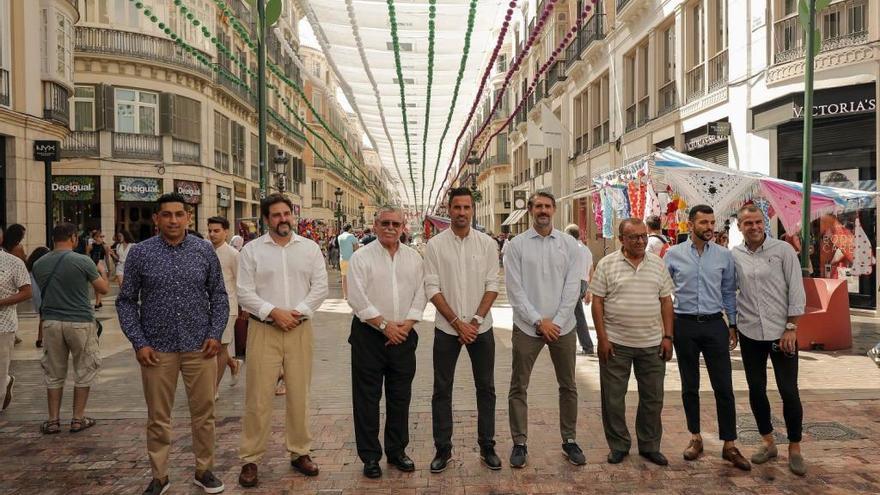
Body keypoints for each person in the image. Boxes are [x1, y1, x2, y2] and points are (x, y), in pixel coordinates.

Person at [116, 192, 229, 495]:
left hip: (200, 347)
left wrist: (215, 334)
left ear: (188, 217)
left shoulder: (204, 251)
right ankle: (160, 475)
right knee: (158, 417)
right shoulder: (141, 253)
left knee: (204, 414)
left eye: (179, 214)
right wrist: (139, 342)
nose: (174, 220)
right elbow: (126, 301)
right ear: (157, 219)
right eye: (167, 214)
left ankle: (204, 470)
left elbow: (218, 296)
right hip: (156, 349)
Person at [236, 194, 328, 487]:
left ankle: (300, 452)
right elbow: (243, 292)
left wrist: (297, 313)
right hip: (263, 330)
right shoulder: (251, 251)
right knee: (258, 397)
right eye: (275, 215)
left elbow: (320, 288)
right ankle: (250, 459)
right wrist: (273, 312)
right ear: (266, 219)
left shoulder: (310, 249)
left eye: (286, 214)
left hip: (299, 329)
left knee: (299, 394)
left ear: (293, 215)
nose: (282, 219)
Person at [664, 204, 750, 471]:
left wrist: (733, 325)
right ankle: (695, 437)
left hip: (715, 325)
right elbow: (664, 294)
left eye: (712, 222)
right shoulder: (672, 255)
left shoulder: (724, 256)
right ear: (690, 225)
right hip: (684, 325)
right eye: (703, 223)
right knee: (690, 386)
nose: (709, 227)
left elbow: (728, 294)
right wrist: (665, 331)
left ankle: (729, 444)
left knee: (724, 387)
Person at [504, 192, 584, 468]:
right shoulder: (516, 246)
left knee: (568, 385)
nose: (543, 210)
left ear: (554, 210)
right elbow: (515, 290)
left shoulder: (569, 245)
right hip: (527, 327)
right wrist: (539, 320)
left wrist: (557, 322)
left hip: (564, 327)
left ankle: (570, 440)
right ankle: (519, 443)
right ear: (530, 210)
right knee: (519, 386)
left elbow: (573, 288)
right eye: (538, 206)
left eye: (548, 206)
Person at [347, 205, 427, 479]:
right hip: (369, 336)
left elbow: (421, 293)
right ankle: (370, 457)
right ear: (376, 224)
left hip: (404, 336)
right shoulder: (362, 257)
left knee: (400, 397)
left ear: (404, 226)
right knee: (367, 399)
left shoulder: (414, 258)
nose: (391, 228)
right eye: (385, 223)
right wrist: (384, 325)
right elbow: (356, 297)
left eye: (396, 224)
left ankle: (396, 451)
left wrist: (408, 324)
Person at [424, 188, 501, 473]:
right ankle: (442, 449)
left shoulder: (487, 244)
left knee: (487, 388)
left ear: (472, 210)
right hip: (447, 328)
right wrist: (458, 323)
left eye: (467, 207)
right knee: (441, 389)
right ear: (449, 209)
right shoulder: (434, 245)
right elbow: (432, 288)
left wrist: (476, 321)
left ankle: (487, 446)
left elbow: (493, 285)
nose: (461, 213)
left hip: (482, 328)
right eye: (457, 207)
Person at [590, 218, 674, 466]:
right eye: (634, 237)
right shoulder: (606, 265)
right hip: (616, 345)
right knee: (613, 399)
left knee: (653, 398)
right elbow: (597, 302)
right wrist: (602, 338)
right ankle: (618, 445)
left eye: (643, 236)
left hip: (652, 344)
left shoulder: (658, 264)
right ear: (621, 240)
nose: (640, 241)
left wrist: (668, 336)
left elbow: (666, 301)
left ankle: (649, 446)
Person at [733, 204, 807, 476]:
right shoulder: (735, 255)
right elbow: (732, 291)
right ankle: (768, 442)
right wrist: (732, 325)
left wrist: (791, 327)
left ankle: (795, 447)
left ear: (764, 223)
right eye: (747, 223)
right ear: (739, 227)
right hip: (750, 331)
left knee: (788, 390)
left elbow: (796, 291)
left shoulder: (783, 251)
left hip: (781, 333)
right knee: (756, 389)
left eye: (758, 222)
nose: (754, 227)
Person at [32, 223, 108, 431]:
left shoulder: (39, 263)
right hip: (80, 321)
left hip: (51, 322)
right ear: (73, 238)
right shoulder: (82, 261)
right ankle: (77, 418)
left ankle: (53, 420)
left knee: (54, 372)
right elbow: (103, 288)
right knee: (84, 368)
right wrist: (102, 271)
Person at [206, 217, 242, 396]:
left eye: (216, 230)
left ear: (226, 232)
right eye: (210, 230)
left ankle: (213, 388)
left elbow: (240, 282)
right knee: (212, 346)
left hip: (228, 307)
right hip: (205, 308)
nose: (212, 234)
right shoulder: (203, 251)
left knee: (220, 347)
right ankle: (233, 364)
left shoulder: (233, 254)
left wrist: (243, 308)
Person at [0, 226, 32, 412]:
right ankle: (5, 381)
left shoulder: (13, 262)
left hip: (3, 325)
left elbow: (27, 292)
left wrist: (2, 302)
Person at [564, 224, 594, 355]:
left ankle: (587, 346)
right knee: (573, 314)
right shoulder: (586, 249)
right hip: (583, 283)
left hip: (574, 282)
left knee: (577, 315)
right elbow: (591, 270)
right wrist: (589, 290)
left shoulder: (570, 248)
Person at [26, 247, 51, 348]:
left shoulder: (30, 271)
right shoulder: (39, 270)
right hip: (42, 296)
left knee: (43, 317)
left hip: (38, 297)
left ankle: (40, 339)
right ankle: (42, 339)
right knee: (45, 317)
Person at [86, 230, 109, 309]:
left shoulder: (105, 246)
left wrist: (109, 269)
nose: (100, 238)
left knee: (103, 284)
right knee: (96, 285)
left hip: (102, 265)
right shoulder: (90, 246)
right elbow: (87, 257)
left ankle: (98, 301)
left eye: (102, 236)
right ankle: (98, 302)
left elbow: (107, 259)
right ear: (94, 237)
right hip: (93, 265)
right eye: (98, 236)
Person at [337, 225, 359, 299]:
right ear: (349, 229)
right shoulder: (351, 236)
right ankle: (352, 294)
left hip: (342, 259)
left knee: (344, 277)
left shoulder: (339, 237)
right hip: (351, 259)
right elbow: (356, 247)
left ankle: (345, 295)